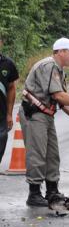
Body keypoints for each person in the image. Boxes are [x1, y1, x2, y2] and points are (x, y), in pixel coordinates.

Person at [19, 38, 69, 207]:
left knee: (52, 154)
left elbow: (62, 103)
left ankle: (52, 191)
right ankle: (34, 194)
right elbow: (58, 95)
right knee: (37, 153)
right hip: (34, 114)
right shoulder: (48, 66)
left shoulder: (59, 71)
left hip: (46, 114)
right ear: (61, 51)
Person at [0, 34, 19, 165]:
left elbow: (11, 88)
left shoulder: (8, 64)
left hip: (1, 113)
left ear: (1, 43)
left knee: (2, 138)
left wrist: (9, 114)